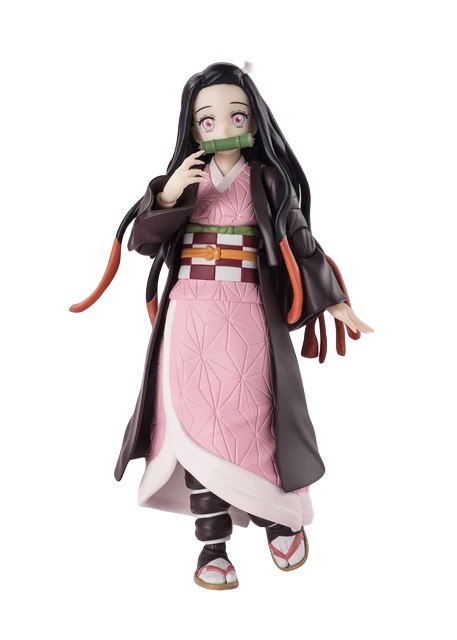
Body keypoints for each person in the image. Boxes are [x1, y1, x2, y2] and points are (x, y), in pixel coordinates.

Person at [71, 62, 373, 590]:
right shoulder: (185, 178)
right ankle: (212, 545)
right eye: (206, 119)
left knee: (254, 418)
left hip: (249, 308)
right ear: (193, 127)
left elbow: (300, 240)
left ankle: (278, 520)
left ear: (253, 119)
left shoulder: (267, 179)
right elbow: (143, 241)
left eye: (236, 114)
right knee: (193, 424)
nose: (222, 126)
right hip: (189, 310)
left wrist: (335, 300)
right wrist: (168, 197)